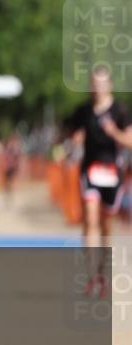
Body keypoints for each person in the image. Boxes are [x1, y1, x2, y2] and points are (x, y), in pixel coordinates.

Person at [66, 66, 132, 298]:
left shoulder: (120, 111)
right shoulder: (82, 112)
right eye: (94, 83)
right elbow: (71, 137)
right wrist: (75, 140)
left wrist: (114, 132)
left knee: (106, 227)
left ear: (110, 85)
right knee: (90, 218)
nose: (97, 87)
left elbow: (130, 141)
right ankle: (92, 274)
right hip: (89, 171)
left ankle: (103, 273)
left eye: (101, 83)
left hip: (113, 173)